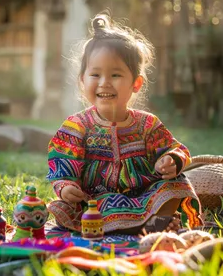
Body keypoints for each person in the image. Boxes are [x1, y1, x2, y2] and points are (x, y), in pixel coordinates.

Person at [46, 12, 203, 234]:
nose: (104, 83)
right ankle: (131, 227)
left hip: (142, 198)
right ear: (82, 80)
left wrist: (170, 160)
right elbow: (63, 164)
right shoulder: (77, 126)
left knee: (176, 183)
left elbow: (174, 148)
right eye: (95, 74)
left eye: (116, 75)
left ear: (136, 83)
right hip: (94, 202)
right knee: (69, 208)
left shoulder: (147, 124)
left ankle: (153, 225)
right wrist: (66, 187)